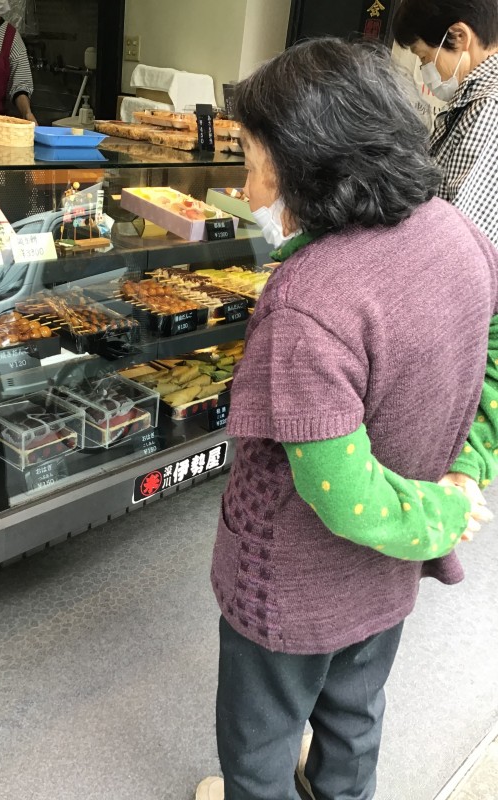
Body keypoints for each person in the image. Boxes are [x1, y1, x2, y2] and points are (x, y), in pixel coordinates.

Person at [195, 39, 498, 800]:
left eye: (250, 160)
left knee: (260, 739)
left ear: (305, 163)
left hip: (291, 582)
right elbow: (490, 353)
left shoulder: (310, 301)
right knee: (356, 714)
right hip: (387, 572)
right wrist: (467, 470)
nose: (245, 185)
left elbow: (342, 493)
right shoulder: (456, 233)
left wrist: (443, 517)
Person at [393, 0, 498, 247]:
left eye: (424, 57)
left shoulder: (488, 105)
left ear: (459, 36)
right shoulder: (470, 101)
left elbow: (462, 237)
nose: (425, 69)